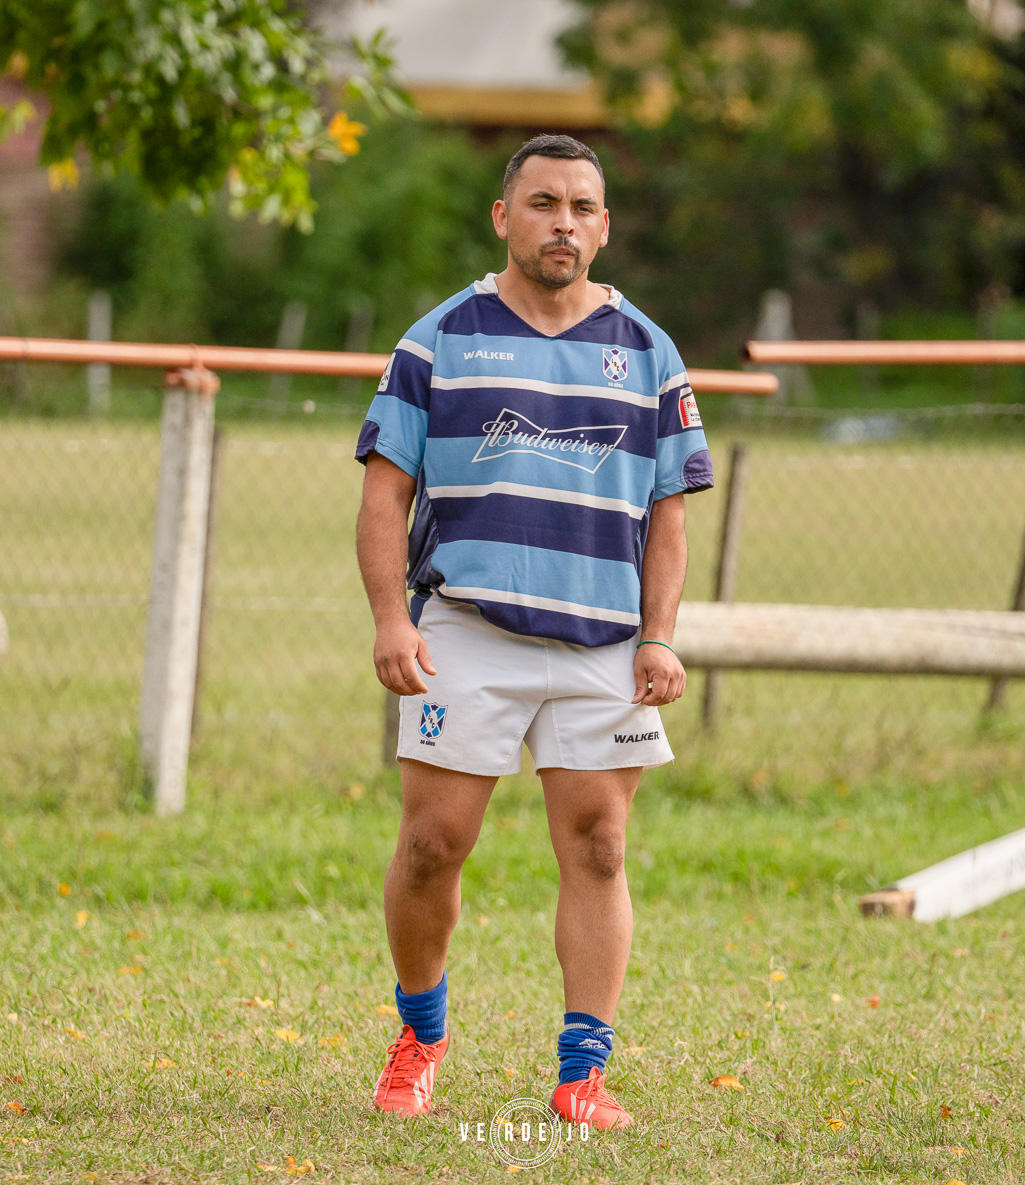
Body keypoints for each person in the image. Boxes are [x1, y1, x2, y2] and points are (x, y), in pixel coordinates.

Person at [353, 134, 712, 1127]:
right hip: (466, 627)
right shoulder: (439, 341)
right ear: (503, 217)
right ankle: (419, 1038)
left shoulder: (647, 351)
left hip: (603, 641)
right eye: (544, 202)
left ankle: (581, 1076)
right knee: (433, 842)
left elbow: (671, 510)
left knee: (598, 847)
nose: (565, 222)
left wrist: (659, 634)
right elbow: (386, 496)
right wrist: (392, 618)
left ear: (603, 226)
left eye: (584, 207)